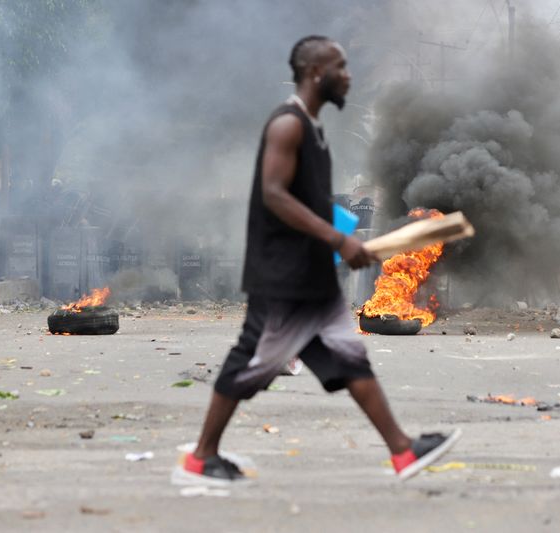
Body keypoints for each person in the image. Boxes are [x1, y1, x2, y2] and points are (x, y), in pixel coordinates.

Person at [171, 35, 460, 487]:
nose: (347, 76)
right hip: (283, 276)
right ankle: (201, 457)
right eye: (339, 67)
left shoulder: (312, 128)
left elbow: (306, 202)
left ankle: (403, 451)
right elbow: (273, 194)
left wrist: (338, 236)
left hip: (308, 274)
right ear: (313, 73)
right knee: (251, 361)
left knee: (349, 358)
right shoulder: (288, 125)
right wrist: (337, 240)